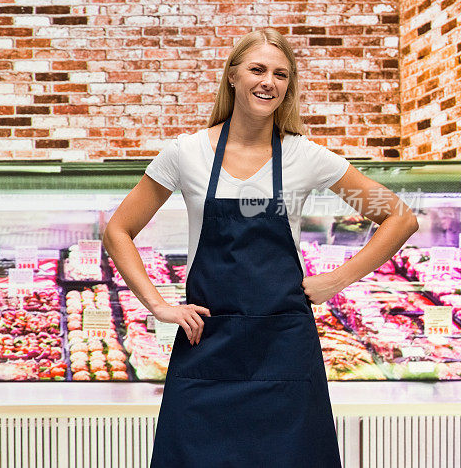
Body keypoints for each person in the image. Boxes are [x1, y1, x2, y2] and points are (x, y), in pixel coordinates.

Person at [103, 28, 418, 467]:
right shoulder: (186, 153)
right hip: (207, 348)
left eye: (281, 74)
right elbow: (118, 230)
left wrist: (337, 279)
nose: (268, 81)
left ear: (288, 87)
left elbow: (400, 217)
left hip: (283, 350)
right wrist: (159, 306)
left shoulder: (305, 156)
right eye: (257, 69)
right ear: (232, 76)